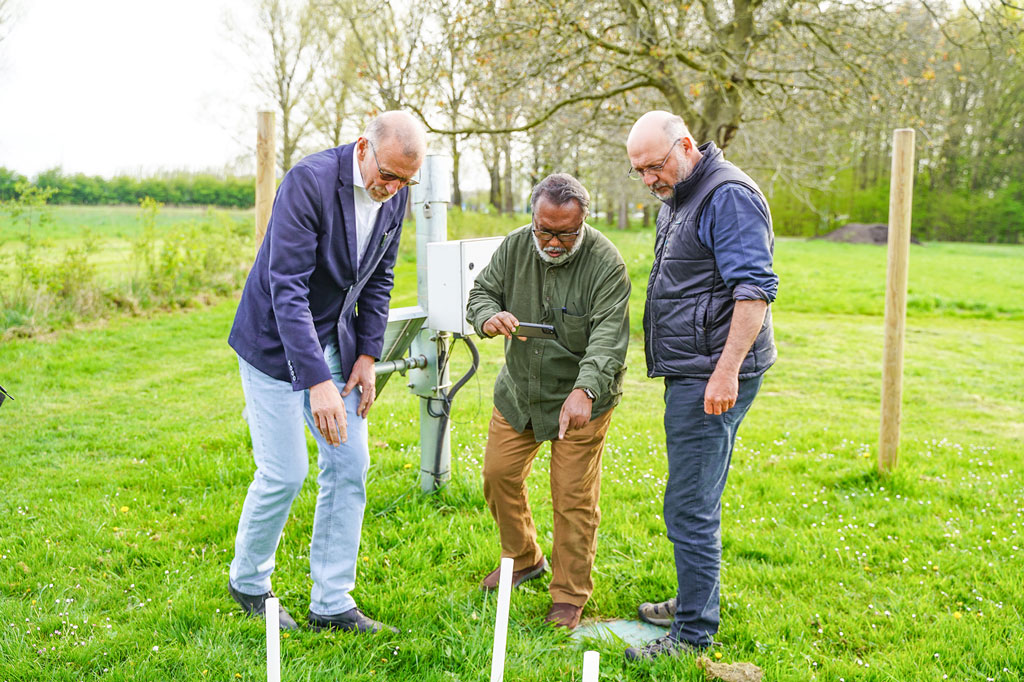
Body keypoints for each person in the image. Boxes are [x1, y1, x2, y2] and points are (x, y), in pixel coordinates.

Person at [226, 110, 426, 634]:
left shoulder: (396, 193)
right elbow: (286, 287)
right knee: (285, 471)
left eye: (406, 180)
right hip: (272, 341)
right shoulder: (308, 183)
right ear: (363, 147)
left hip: (337, 342)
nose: (393, 188)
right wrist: (317, 382)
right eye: (387, 175)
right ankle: (248, 581)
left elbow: (380, 279)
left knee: (349, 464)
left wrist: (366, 357)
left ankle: (332, 601)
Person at [622, 111, 778, 660]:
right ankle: (694, 599)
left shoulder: (727, 196)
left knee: (689, 504)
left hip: (711, 372)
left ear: (685, 146)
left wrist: (726, 370)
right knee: (695, 497)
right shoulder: (684, 195)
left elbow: (753, 290)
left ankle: (691, 635)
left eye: (655, 166)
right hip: (692, 366)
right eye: (638, 170)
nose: (648, 180)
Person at [466, 173, 631, 630]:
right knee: (498, 475)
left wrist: (586, 390)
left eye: (566, 232)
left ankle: (569, 593)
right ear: (533, 218)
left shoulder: (606, 264)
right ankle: (523, 558)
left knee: (572, 498)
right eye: (545, 230)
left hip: (581, 398)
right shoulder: (516, 246)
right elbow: (481, 293)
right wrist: (487, 317)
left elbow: (607, 341)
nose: (553, 241)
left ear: (584, 223)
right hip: (520, 390)